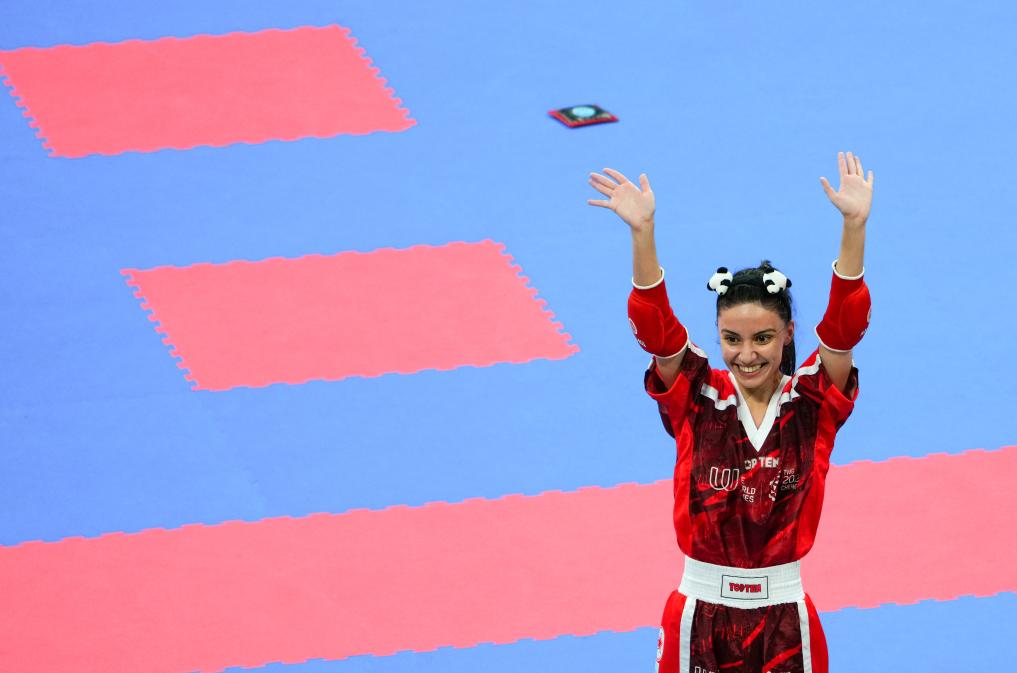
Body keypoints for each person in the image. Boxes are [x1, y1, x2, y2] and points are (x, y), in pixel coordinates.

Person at [587, 152, 873, 673]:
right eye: (732, 339)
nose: (747, 355)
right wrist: (642, 234)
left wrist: (854, 227)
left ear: (787, 334)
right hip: (697, 617)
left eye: (763, 338)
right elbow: (656, 329)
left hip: (786, 620)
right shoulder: (697, 395)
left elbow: (844, 329)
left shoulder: (812, 402)